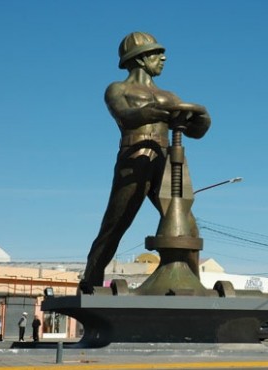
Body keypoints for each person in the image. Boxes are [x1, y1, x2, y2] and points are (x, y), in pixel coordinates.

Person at [80, 32, 211, 292]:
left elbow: (196, 132)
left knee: (188, 229)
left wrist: (203, 117)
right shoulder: (118, 89)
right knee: (115, 224)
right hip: (135, 159)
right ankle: (91, 280)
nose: (162, 58)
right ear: (140, 58)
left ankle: (194, 287)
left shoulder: (171, 96)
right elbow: (124, 115)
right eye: (156, 53)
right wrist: (149, 112)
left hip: (167, 161)